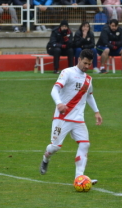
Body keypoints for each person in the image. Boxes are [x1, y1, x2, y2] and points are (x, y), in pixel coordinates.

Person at [39, 49, 102, 184]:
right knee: (55, 147)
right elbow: (54, 90)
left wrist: (96, 112)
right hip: (62, 117)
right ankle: (46, 158)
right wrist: (59, 103)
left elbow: (89, 96)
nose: (87, 66)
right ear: (78, 59)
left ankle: (79, 178)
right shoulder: (67, 73)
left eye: (89, 64)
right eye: (85, 63)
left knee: (85, 144)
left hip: (78, 119)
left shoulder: (88, 79)